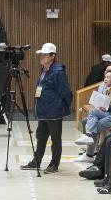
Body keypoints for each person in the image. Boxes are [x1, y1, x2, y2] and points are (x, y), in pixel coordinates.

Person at [23, 42, 74, 172]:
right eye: (41, 54)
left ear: (52, 56)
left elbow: (67, 93)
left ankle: (54, 164)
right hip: (44, 111)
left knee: (55, 139)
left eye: (44, 55)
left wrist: (60, 107)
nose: (41, 57)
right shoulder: (44, 70)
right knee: (41, 137)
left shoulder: (58, 72)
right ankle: (36, 161)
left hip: (54, 112)